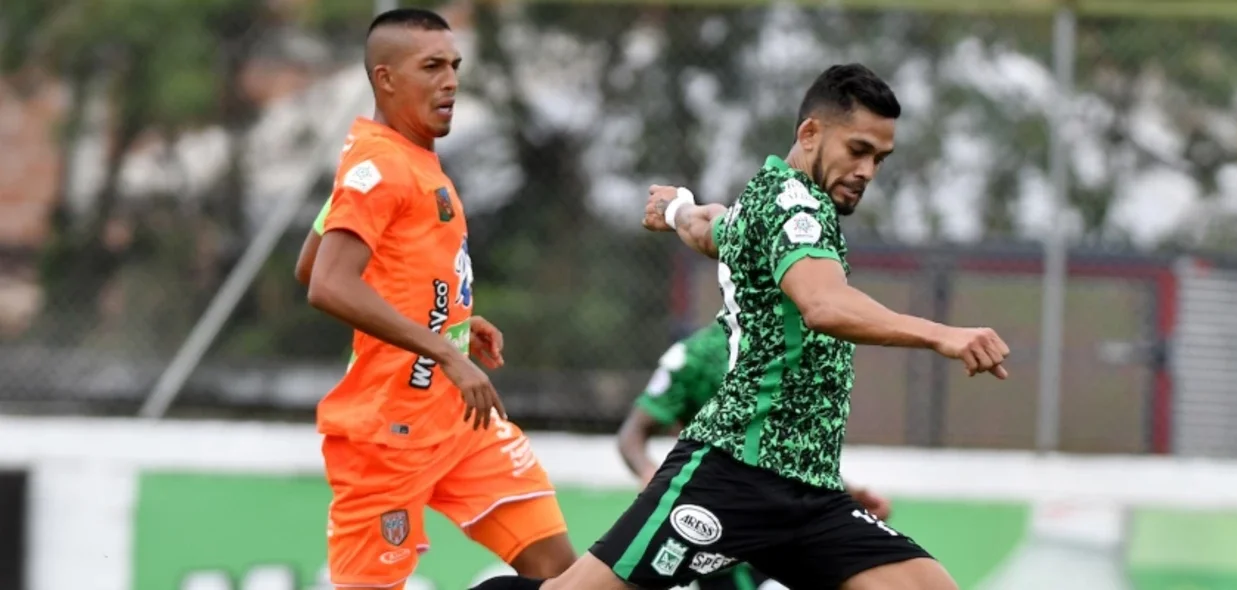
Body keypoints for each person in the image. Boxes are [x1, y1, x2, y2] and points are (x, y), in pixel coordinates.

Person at [473, 63, 1010, 590]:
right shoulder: (794, 206)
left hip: (810, 492)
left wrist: (677, 209)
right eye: (858, 150)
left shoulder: (767, 199)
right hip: (732, 473)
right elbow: (823, 304)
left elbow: (711, 227)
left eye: (880, 158)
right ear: (810, 133)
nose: (867, 170)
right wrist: (944, 335)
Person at [302, 9, 577, 590]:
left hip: (459, 423)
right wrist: (446, 353)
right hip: (387, 435)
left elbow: (317, 260)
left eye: (454, 66)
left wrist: (452, 320)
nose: (450, 81)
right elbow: (326, 281)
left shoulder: (402, 155)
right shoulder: (380, 164)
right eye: (431, 67)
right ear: (385, 78)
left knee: (564, 577)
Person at [617, 320, 895, 590]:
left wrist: (847, 493)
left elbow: (785, 451)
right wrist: (651, 475)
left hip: (787, 515)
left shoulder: (798, 348)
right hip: (725, 517)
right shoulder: (697, 354)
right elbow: (633, 433)